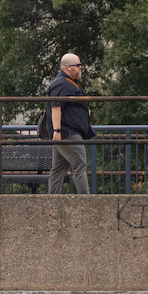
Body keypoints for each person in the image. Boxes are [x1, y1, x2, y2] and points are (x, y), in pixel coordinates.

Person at [46, 53, 94, 194]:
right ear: (68, 68)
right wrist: (57, 131)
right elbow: (55, 107)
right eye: (78, 66)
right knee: (80, 165)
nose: (81, 69)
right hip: (68, 133)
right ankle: (86, 202)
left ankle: (52, 201)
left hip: (65, 132)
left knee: (58, 169)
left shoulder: (67, 83)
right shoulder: (62, 84)